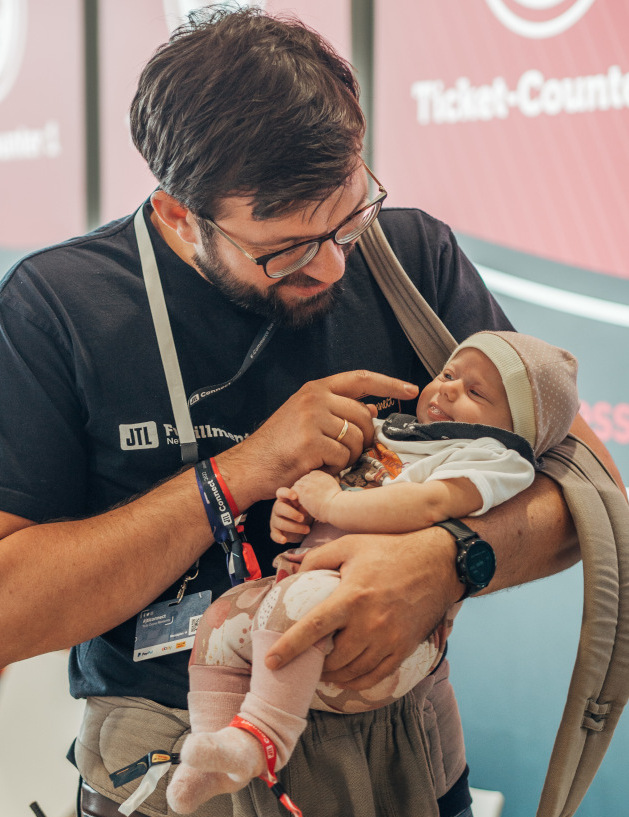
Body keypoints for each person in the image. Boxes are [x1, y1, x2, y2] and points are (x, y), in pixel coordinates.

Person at [0, 6, 623, 817]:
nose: (330, 266)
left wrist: (448, 559)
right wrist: (239, 473)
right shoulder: (62, 308)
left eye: (349, 215)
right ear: (179, 216)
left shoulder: (411, 259)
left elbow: (591, 489)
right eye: (287, 249)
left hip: (404, 758)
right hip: (176, 760)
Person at [166, 330, 580, 814]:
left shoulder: (493, 458)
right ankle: (215, 750)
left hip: (384, 633)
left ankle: (264, 736)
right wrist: (298, 508)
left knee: (298, 610)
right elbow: (339, 484)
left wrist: (336, 503)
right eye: (448, 374)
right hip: (301, 585)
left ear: (519, 426)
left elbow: (427, 503)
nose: (447, 389)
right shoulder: (396, 433)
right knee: (219, 619)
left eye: (475, 392)